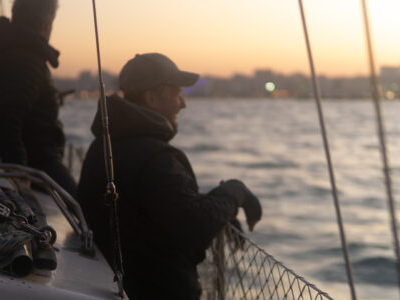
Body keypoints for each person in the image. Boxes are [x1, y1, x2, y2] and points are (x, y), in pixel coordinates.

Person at [77, 53, 263, 300]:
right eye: (177, 94)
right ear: (152, 98)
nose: (183, 104)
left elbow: (164, 209)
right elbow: (193, 228)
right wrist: (235, 191)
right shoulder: (156, 159)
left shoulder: (103, 146)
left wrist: (219, 210)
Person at [0, 0, 76, 196]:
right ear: (47, 24)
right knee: (83, 209)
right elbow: (7, 118)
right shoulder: (26, 59)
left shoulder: (3, 50)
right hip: (37, 162)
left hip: (19, 157)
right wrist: (19, 173)